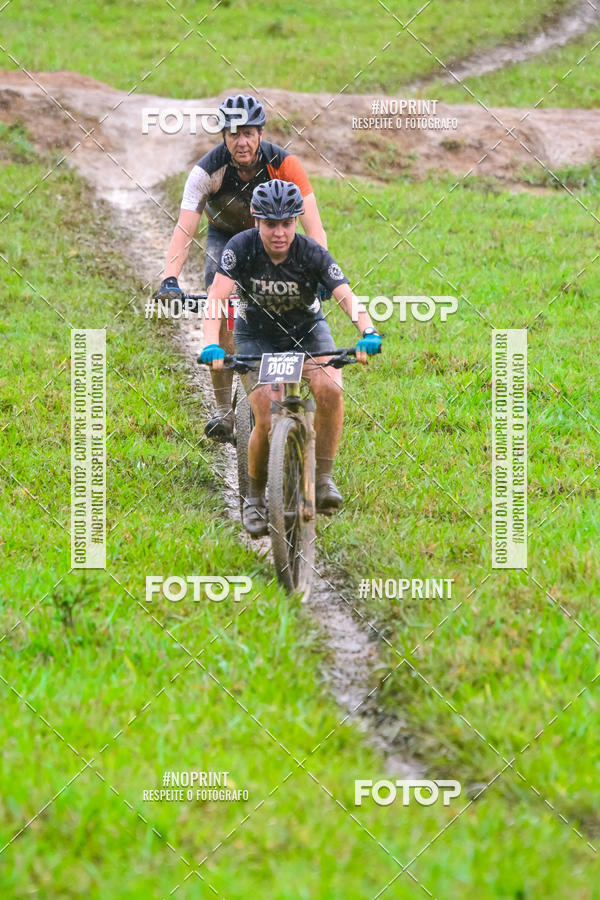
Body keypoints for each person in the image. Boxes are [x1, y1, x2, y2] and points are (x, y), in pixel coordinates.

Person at [199, 179, 382, 537]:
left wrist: (368, 331)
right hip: (257, 335)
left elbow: (345, 295)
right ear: (256, 221)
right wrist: (211, 343)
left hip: (307, 331)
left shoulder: (311, 253)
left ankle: (323, 479)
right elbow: (217, 298)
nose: (279, 232)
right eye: (270, 223)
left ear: (297, 221)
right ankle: (254, 498)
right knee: (265, 416)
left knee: (330, 388)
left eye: (287, 223)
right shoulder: (240, 247)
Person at [154, 94, 328, 444]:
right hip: (225, 238)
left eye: (248, 132)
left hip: (274, 236)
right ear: (223, 136)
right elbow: (185, 228)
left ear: (261, 133)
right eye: (233, 133)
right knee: (220, 313)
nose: (241, 141)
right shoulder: (207, 171)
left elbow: (314, 229)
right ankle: (224, 411)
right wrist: (169, 278)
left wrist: (320, 273)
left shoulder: (285, 164)